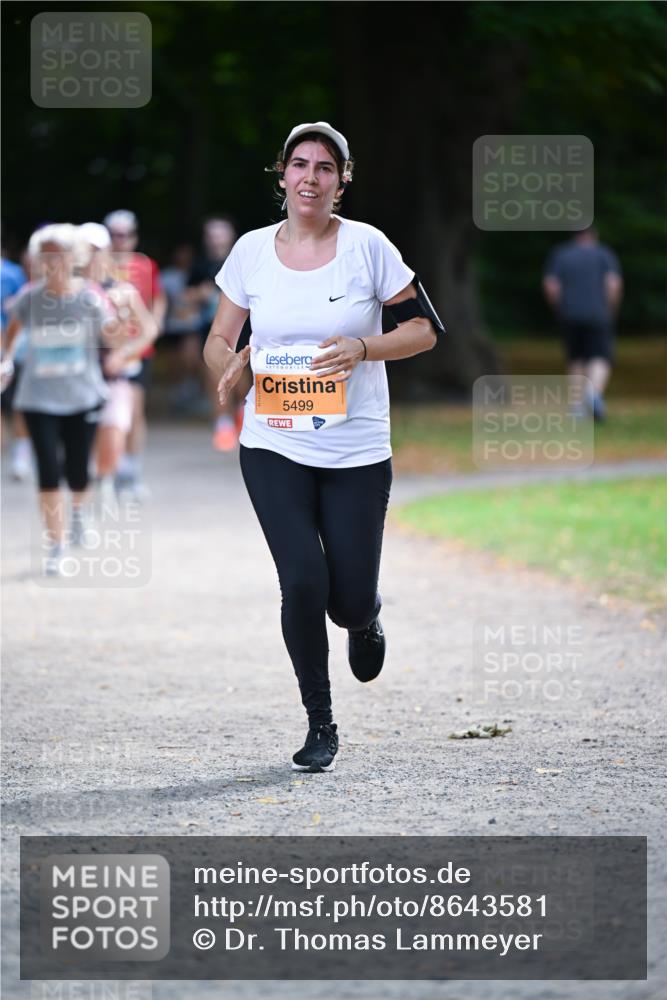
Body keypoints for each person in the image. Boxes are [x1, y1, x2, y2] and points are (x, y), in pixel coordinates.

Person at [203, 122, 444, 772]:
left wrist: (364, 347)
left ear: (341, 182)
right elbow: (218, 340)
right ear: (282, 174)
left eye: (325, 168)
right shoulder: (250, 252)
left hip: (355, 450)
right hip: (272, 444)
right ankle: (320, 722)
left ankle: (365, 617)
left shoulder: (368, 246)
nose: (310, 177)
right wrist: (232, 363)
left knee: (347, 598)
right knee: (303, 583)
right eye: (300, 165)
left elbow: (423, 330)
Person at [1, 224, 121, 575]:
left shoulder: (90, 298)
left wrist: (123, 318)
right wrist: (6, 361)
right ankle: (57, 544)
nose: (51, 262)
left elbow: (114, 338)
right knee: (49, 471)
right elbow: (12, 331)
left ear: (74, 257)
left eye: (59, 254)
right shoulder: (29, 298)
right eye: (45, 255)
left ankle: (79, 513)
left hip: (83, 396)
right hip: (38, 398)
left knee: (78, 469)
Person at [78, 222, 159, 500]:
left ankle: (126, 474)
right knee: (87, 433)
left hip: (118, 373)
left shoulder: (122, 291)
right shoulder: (69, 293)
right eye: (83, 250)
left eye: (94, 250)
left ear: (105, 252)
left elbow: (149, 330)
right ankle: (95, 483)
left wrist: (123, 354)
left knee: (125, 421)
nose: (88, 257)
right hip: (80, 375)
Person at [103, 210, 166, 495]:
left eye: (125, 234)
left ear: (134, 237)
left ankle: (131, 471)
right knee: (108, 413)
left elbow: (158, 296)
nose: (120, 240)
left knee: (135, 410)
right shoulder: (98, 266)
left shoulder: (145, 264)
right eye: (114, 235)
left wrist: (156, 322)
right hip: (106, 349)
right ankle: (108, 470)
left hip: (138, 348)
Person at [543, 227, 623, 421]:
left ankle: (577, 407)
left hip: (570, 315)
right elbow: (613, 283)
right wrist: (610, 308)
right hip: (598, 314)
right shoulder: (603, 254)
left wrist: (559, 308)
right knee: (600, 356)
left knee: (576, 359)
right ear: (593, 234)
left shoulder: (561, 255)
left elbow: (551, 285)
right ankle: (593, 394)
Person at [188, 217, 252, 450]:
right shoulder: (200, 265)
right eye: (212, 235)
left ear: (231, 235)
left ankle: (243, 414)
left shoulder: (243, 259)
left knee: (243, 377)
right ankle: (223, 424)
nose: (216, 240)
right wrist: (200, 294)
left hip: (244, 329)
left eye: (220, 234)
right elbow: (185, 297)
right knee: (215, 372)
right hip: (210, 328)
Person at [1, 241, 31, 479]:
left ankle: (21, 454)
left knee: (19, 402)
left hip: (14, 348)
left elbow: (23, 313)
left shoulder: (13, 274)